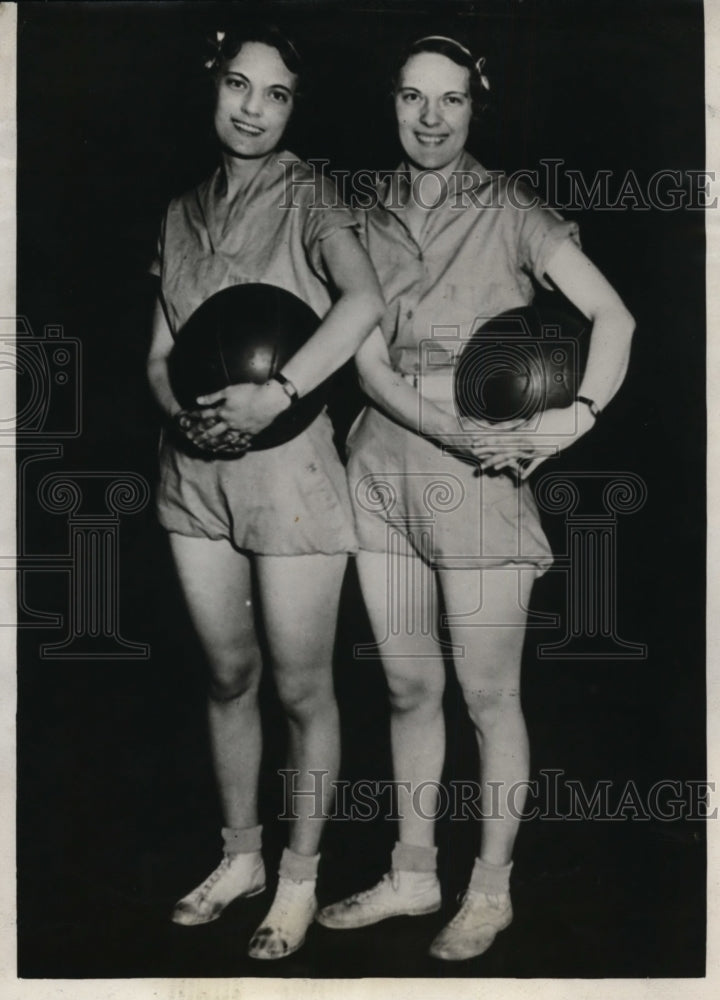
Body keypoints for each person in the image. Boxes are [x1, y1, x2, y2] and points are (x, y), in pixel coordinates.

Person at [316, 35, 635, 961]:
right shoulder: (362, 209)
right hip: (379, 471)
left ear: (474, 107)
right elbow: (366, 363)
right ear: (391, 102)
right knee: (408, 684)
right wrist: (429, 423)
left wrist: (572, 419)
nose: (429, 119)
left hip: (480, 474)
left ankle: (489, 889)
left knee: (488, 694)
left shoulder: (513, 209)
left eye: (450, 100)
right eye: (413, 98)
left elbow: (614, 317)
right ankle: (414, 875)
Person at [146, 23, 384, 960]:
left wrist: (275, 396)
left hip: (291, 476)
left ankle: (297, 877)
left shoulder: (315, 195)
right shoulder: (177, 209)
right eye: (239, 86)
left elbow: (363, 303)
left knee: (299, 687)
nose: (252, 108)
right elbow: (159, 353)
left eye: (276, 93)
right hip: (195, 473)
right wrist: (186, 414)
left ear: (295, 107)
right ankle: (239, 856)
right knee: (226, 675)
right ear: (213, 87)